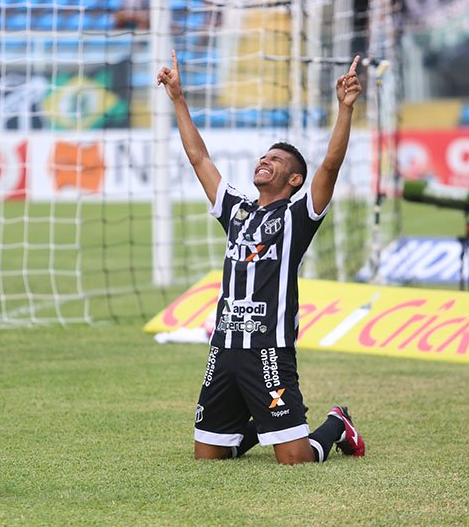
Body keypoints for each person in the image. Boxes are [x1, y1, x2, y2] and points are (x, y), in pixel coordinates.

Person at [157, 50, 366, 464]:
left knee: (296, 460)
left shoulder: (298, 216)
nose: (264, 161)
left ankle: (337, 422)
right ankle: (263, 420)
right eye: (263, 156)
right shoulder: (235, 209)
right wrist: (178, 98)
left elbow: (330, 165)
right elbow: (199, 158)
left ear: (294, 179)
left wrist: (344, 109)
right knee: (209, 457)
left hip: (269, 350)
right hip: (224, 348)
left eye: (276, 159)